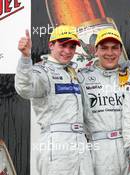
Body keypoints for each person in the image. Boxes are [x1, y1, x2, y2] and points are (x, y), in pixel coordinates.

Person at [15, 25, 94, 175]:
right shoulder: (42, 71)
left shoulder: (73, 72)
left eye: (72, 47)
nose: (68, 51)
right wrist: (25, 58)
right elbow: (24, 88)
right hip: (57, 144)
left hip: (80, 142)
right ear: (51, 45)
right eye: (63, 45)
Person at [78, 28, 130, 175]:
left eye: (114, 48)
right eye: (104, 48)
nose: (110, 53)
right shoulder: (82, 78)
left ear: (120, 51)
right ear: (96, 51)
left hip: (129, 146)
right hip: (98, 149)